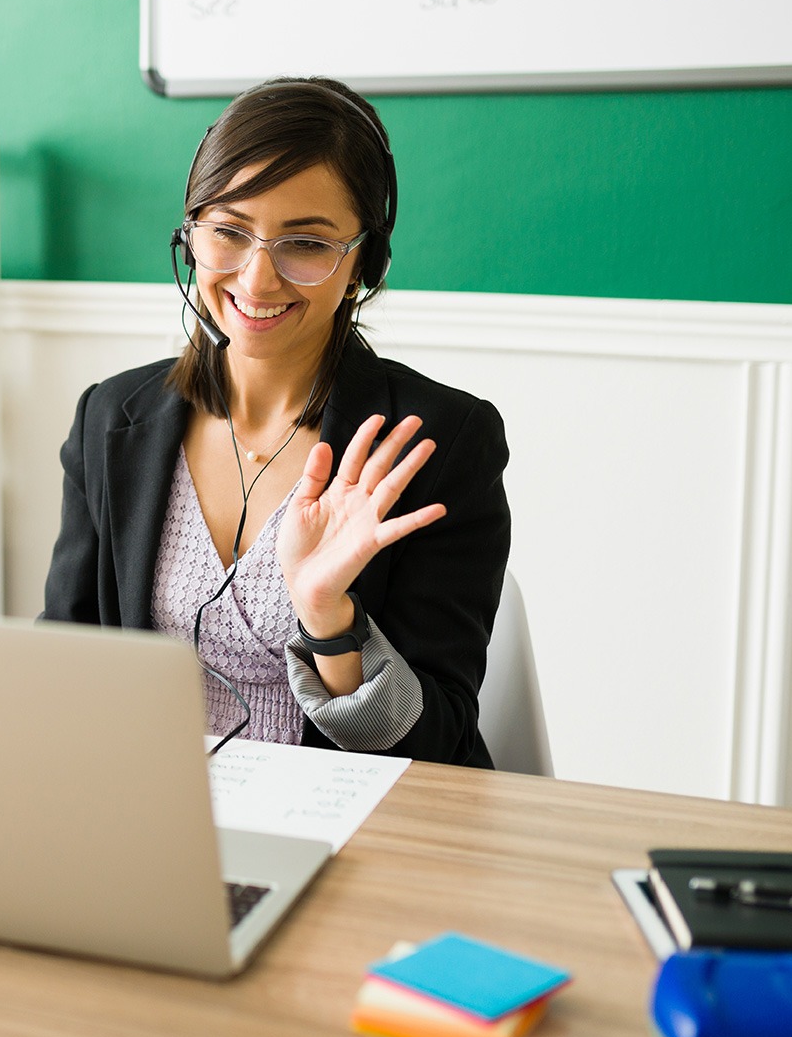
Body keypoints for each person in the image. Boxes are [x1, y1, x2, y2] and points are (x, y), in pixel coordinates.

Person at [42, 77, 511, 767]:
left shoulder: (438, 443)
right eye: (228, 231)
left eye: (307, 243)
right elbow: (62, 665)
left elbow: (437, 743)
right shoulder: (110, 420)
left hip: (356, 833)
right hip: (151, 823)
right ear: (190, 239)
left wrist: (330, 619)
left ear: (362, 265)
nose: (258, 280)